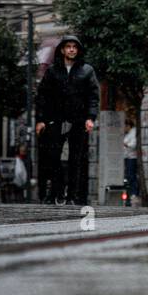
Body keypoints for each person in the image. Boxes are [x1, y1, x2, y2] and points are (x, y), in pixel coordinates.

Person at [35, 35, 100, 206]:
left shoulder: (87, 70)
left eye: (74, 47)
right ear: (62, 50)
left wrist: (90, 118)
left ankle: (72, 195)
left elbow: (93, 96)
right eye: (68, 46)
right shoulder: (52, 71)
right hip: (56, 120)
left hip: (78, 120)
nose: (71, 49)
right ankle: (55, 192)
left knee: (75, 159)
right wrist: (41, 119)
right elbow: (43, 95)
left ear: (78, 50)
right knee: (53, 157)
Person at [122, 113, 139, 206]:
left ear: (128, 125)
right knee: (129, 176)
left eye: (125, 126)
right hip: (127, 157)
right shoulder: (128, 133)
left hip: (132, 157)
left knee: (131, 176)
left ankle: (133, 194)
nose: (124, 128)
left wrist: (125, 144)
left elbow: (133, 145)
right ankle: (130, 194)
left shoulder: (133, 132)